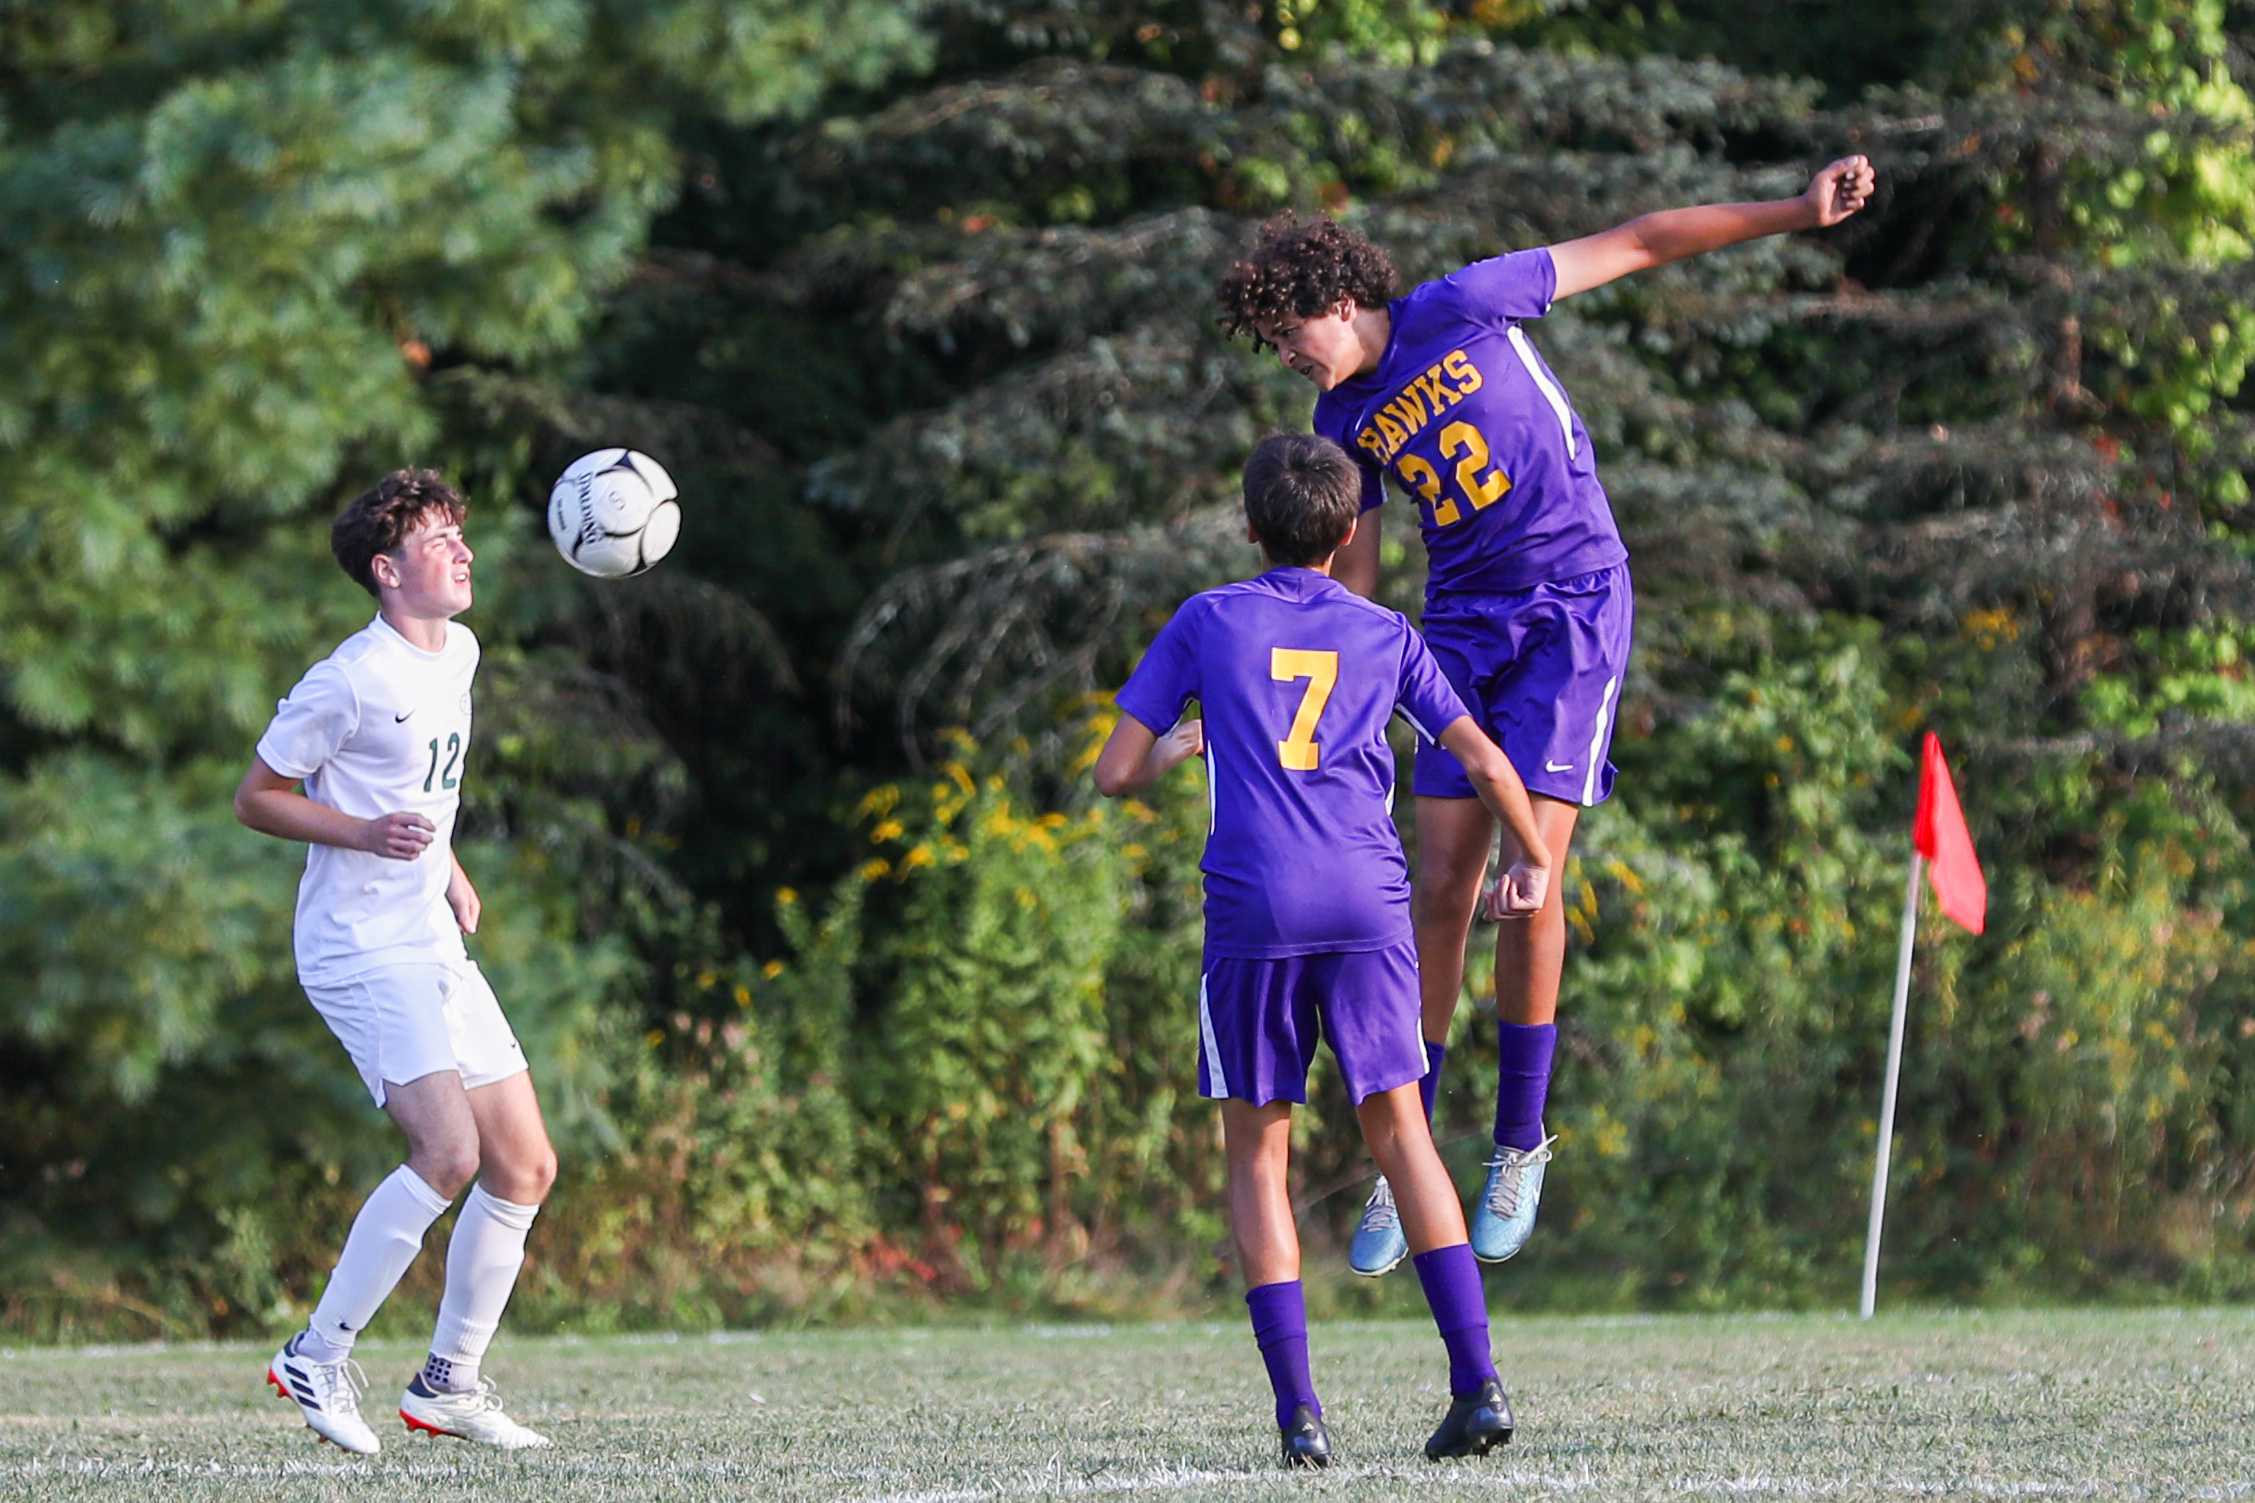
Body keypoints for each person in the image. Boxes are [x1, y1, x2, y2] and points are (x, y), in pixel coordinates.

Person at [1215, 156, 1877, 1274]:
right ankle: (1404, 1151)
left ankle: (1517, 1141)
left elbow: (1643, 238)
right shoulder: (1339, 414)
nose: (1288, 357)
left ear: (1336, 297)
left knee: (1529, 892)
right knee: (1434, 891)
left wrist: (1794, 211)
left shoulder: (1466, 302)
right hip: (1462, 627)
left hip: (1571, 607)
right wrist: (1314, 685)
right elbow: (1356, 585)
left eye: (1290, 333)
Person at [1092, 432, 1553, 1463]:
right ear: (1349, 535)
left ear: (1249, 526)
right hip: (1365, 905)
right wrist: (1531, 856)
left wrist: (1173, 747)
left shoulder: (1206, 619)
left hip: (1255, 913)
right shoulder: (1385, 631)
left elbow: (1113, 773)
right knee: (1402, 1135)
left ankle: (1300, 1420)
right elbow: (1476, 754)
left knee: (1259, 1153)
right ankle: (1477, 1386)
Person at [235, 470, 555, 1453]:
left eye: (459, 533)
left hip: (426, 937)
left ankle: (449, 1383)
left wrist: (447, 863)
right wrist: (364, 833)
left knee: (524, 1164)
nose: (461, 551)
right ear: (385, 570)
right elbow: (258, 795)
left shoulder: (457, 650)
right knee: (448, 1153)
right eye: (437, 539)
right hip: (359, 945)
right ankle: (315, 1355)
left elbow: (421, 786)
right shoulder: (349, 677)